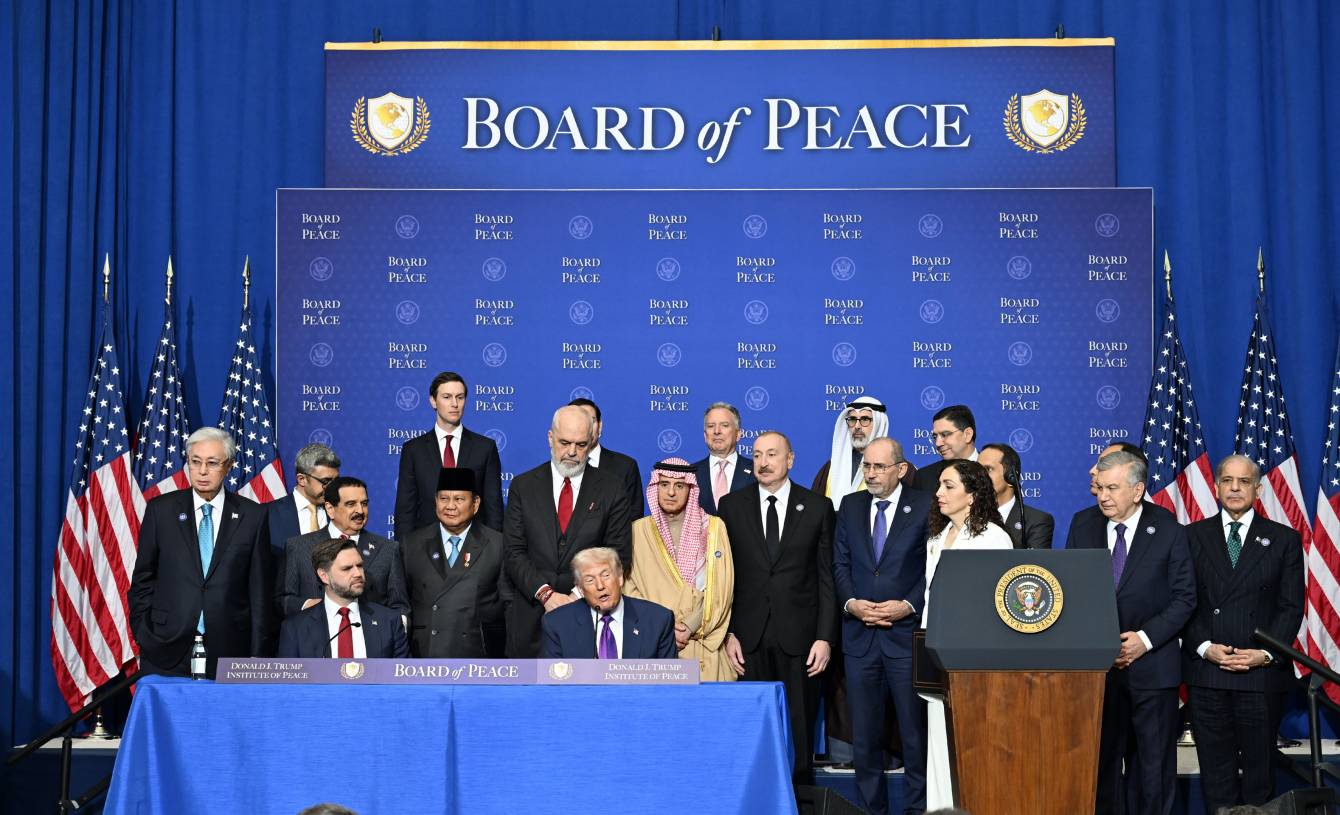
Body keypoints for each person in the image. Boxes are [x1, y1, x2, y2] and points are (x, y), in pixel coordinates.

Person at [1065, 450, 1195, 815]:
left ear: (1137, 491)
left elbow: (1185, 597)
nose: (1103, 496)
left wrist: (1144, 640)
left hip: (1152, 668)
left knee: (1153, 770)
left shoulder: (1168, 529)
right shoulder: (1083, 524)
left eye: (1113, 488)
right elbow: (1071, 590)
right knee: (1101, 767)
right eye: (1101, 487)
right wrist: (1101, 642)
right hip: (1099, 672)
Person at [1184, 455, 1303, 814]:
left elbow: (1290, 607)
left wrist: (1264, 654)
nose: (1235, 488)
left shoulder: (1283, 539)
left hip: (1260, 675)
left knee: (1259, 779)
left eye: (1244, 481)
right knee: (1216, 778)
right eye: (1227, 481)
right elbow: (1183, 602)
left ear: (1258, 489)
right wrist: (1205, 647)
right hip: (1208, 673)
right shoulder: (1190, 536)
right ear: (1216, 487)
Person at [719, 430, 836, 786]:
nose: (763, 462)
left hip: (801, 639)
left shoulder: (817, 507)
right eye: (757, 455)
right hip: (747, 639)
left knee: (800, 729)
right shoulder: (731, 506)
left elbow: (826, 578)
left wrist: (824, 638)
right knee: (752, 729)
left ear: (790, 459)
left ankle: (799, 800)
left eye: (772, 454)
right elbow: (724, 577)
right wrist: (728, 633)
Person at [833, 437, 933, 815]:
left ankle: (917, 810)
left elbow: (933, 566)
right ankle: (871, 810)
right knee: (864, 737)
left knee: (913, 735)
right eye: (867, 466)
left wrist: (907, 605)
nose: (871, 474)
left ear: (901, 469)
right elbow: (840, 563)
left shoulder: (925, 505)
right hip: (860, 638)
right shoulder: (851, 505)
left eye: (879, 467)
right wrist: (852, 604)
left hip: (905, 638)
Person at [128, 427, 272, 676]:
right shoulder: (160, 511)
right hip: (165, 646)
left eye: (212, 463)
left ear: (229, 466)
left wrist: (257, 655)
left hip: (230, 648)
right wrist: (145, 633)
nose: (202, 471)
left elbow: (259, 590)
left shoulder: (253, 516)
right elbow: (143, 579)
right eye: (195, 462)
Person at [504, 405, 634, 657]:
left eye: (581, 444)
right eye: (564, 443)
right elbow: (513, 552)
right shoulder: (523, 485)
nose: (572, 452)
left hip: (590, 616)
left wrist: (576, 596)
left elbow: (618, 554)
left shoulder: (612, 488)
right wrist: (546, 595)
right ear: (550, 438)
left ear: (592, 441)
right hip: (530, 618)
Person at [920, 460, 1012, 810]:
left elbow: (997, 603)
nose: (938, 493)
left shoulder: (993, 538)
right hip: (935, 651)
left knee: (973, 742)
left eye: (948, 486)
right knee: (938, 738)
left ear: (972, 495)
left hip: (974, 658)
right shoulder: (937, 536)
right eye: (939, 485)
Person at [625, 458, 736, 680]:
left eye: (679, 485)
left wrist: (688, 626)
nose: (671, 492)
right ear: (655, 487)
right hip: (653, 648)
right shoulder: (637, 531)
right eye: (664, 484)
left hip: (702, 646)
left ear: (691, 489)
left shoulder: (713, 528)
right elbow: (630, 589)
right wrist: (663, 628)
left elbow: (721, 589)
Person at [400, 468, 511, 658]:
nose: (450, 506)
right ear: (435, 501)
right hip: (424, 655)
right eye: (444, 499)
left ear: (475, 503)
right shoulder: (411, 544)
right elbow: (401, 603)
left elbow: (510, 605)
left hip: (478, 656)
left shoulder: (497, 545)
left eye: (459, 499)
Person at [279, 477, 408, 621]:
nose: (360, 511)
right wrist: (309, 605)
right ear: (330, 509)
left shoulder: (388, 549)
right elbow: (283, 600)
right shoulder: (298, 547)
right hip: (317, 632)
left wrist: (394, 631)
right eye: (351, 504)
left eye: (364, 504)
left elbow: (400, 606)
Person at [394, 371, 504, 537]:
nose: (455, 404)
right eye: (447, 397)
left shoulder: (485, 448)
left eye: (460, 397)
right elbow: (405, 511)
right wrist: (404, 550)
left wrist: (494, 549)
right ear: (433, 401)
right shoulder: (413, 450)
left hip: (475, 545)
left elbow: (493, 508)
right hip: (426, 546)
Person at [277, 537, 409, 658]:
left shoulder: (390, 621)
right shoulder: (295, 628)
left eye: (359, 566)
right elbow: (289, 676)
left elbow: (402, 673)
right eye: (347, 568)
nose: (358, 574)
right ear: (324, 576)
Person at [541, 546, 676, 659]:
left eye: (606, 575)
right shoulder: (557, 624)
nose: (600, 586)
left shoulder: (658, 620)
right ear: (581, 590)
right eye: (590, 580)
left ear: (620, 578)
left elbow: (669, 679)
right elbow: (552, 679)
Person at [265, 443, 340, 563]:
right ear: (302, 479)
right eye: (326, 481)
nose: (333, 488)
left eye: (336, 481)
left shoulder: (341, 511)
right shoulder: (267, 514)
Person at [569, 397, 644, 514]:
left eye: (591, 421)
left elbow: (634, 518)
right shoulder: (555, 468)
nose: (585, 427)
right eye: (578, 421)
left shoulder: (625, 467)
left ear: (600, 426)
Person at [978, 443, 1054, 549]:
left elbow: (1035, 560)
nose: (979, 476)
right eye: (977, 470)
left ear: (1011, 477)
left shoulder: (1036, 521)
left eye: (988, 469)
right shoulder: (967, 517)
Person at [692, 401, 756, 515]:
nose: (717, 431)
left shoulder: (757, 471)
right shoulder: (690, 473)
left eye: (724, 425)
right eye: (711, 426)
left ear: (738, 434)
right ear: (705, 436)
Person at [912, 405, 979, 493]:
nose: (937, 443)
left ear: (967, 434)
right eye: (935, 437)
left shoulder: (993, 470)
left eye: (945, 434)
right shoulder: (924, 478)